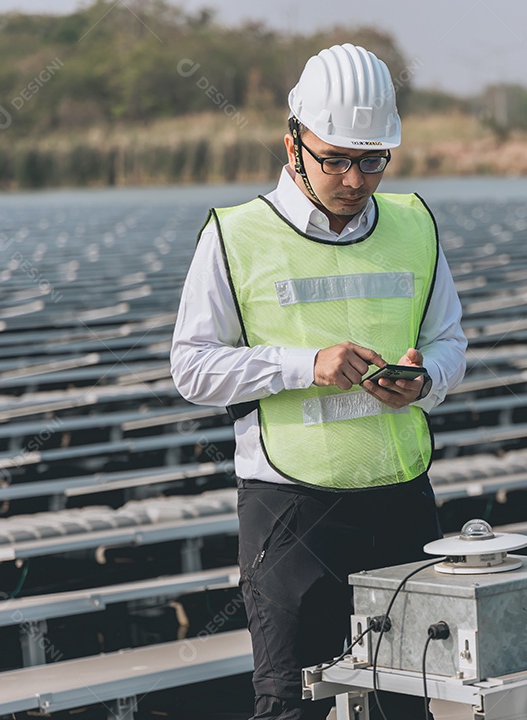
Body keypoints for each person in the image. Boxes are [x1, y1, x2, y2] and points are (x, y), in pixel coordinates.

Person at [170, 42, 467, 720]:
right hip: (290, 512)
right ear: (294, 141)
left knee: (409, 698)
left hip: (401, 501)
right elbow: (191, 367)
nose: (355, 179)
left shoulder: (415, 225)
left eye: (372, 160)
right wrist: (304, 366)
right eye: (335, 158)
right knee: (291, 703)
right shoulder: (235, 235)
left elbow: (449, 341)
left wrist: (426, 384)